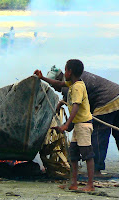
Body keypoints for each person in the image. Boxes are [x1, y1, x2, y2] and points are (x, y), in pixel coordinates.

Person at [34, 59, 95, 191]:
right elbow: (59, 83)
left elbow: (75, 107)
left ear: (70, 71)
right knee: (73, 155)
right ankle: (73, 183)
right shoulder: (72, 84)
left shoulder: (78, 87)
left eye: (65, 69)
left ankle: (90, 185)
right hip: (79, 126)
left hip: (83, 126)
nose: (64, 72)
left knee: (87, 155)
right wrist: (42, 77)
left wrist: (66, 125)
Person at [47, 66, 119, 175]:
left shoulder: (68, 87)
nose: (54, 89)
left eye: (53, 85)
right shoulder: (75, 78)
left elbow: (76, 111)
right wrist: (62, 102)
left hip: (105, 102)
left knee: (98, 135)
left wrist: (66, 126)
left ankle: (96, 170)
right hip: (116, 96)